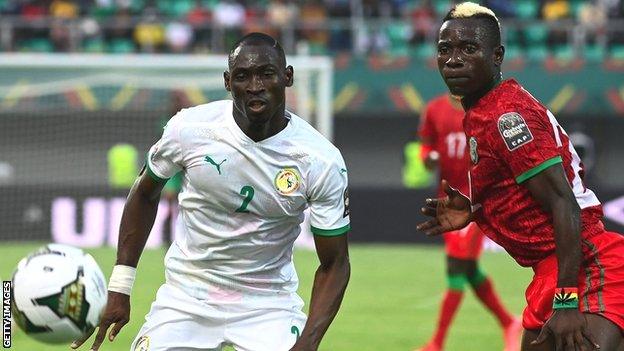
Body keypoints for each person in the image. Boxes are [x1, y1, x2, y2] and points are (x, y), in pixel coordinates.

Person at [71, 32, 351, 351]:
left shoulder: (320, 160)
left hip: (268, 305)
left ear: (287, 77)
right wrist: (120, 286)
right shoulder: (190, 129)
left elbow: (335, 262)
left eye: (267, 74)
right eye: (243, 76)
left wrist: (308, 342)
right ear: (227, 82)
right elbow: (145, 192)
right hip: (187, 299)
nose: (255, 86)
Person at [417, 2, 624, 351]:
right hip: (554, 270)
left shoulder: (506, 115)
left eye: (469, 49)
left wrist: (566, 301)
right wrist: (479, 209)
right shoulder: (483, 111)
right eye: (444, 49)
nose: (453, 60)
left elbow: (564, 203)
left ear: (497, 55)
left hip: (589, 268)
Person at [415, 93, 521, 351]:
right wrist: (427, 158)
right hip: (448, 203)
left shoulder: (484, 109)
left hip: (477, 202)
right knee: (468, 269)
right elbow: (426, 147)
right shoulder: (434, 109)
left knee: (456, 267)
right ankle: (509, 322)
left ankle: (437, 343)